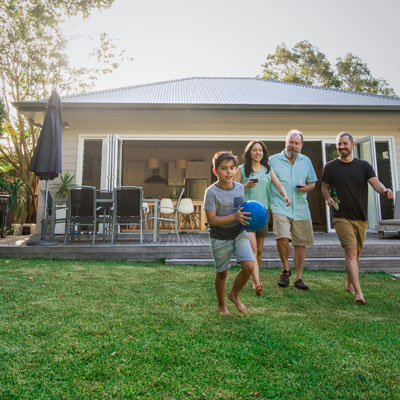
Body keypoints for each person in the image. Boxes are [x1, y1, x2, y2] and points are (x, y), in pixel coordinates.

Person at [321, 132, 393, 305]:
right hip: (341, 216)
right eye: (339, 144)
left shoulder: (363, 166)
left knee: (356, 253)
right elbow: (324, 187)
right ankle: (359, 293)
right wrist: (327, 197)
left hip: (360, 216)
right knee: (351, 251)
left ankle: (348, 283)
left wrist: (384, 190)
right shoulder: (330, 167)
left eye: (345, 144)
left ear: (352, 145)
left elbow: (375, 183)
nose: (341, 147)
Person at [234, 140, 290, 296]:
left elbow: (278, 184)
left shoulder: (267, 169)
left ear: (263, 153)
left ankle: (253, 278)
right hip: (247, 213)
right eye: (254, 150)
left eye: (260, 150)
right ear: (249, 153)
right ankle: (257, 282)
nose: (258, 153)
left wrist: (285, 195)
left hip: (263, 214)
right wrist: (245, 186)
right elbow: (232, 188)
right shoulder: (241, 169)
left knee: (259, 250)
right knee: (253, 248)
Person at [204, 151, 255, 315]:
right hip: (219, 236)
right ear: (215, 171)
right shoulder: (211, 192)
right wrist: (233, 216)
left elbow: (243, 211)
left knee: (249, 266)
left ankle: (234, 295)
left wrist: (252, 220)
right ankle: (222, 305)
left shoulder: (240, 188)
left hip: (238, 233)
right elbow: (212, 220)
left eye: (232, 168)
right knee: (222, 273)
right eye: (224, 168)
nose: (229, 172)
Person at [269, 129, 317, 290]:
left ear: (301, 145)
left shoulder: (306, 161)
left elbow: (313, 183)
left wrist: (307, 188)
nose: (293, 146)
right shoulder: (273, 160)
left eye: (296, 143)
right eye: (291, 142)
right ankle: (285, 269)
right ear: (285, 143)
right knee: (282, 236)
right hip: (280, 205)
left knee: (300, 243)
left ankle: (298, 277)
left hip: (301, 208)